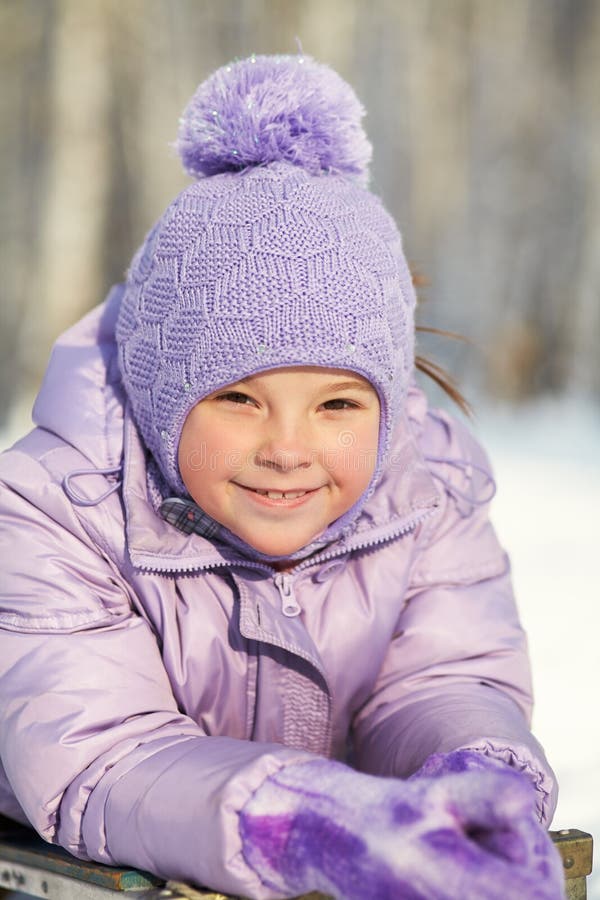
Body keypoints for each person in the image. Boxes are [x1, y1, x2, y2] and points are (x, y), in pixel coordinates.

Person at [0, 54, 565, 899]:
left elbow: (440, 677)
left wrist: (478, 773)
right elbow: (103, 755)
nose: (289, 449)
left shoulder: (427, 487)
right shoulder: (55, 508)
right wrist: (297, 819)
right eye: (238, 398)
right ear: (161, 399)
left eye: (337, 405)